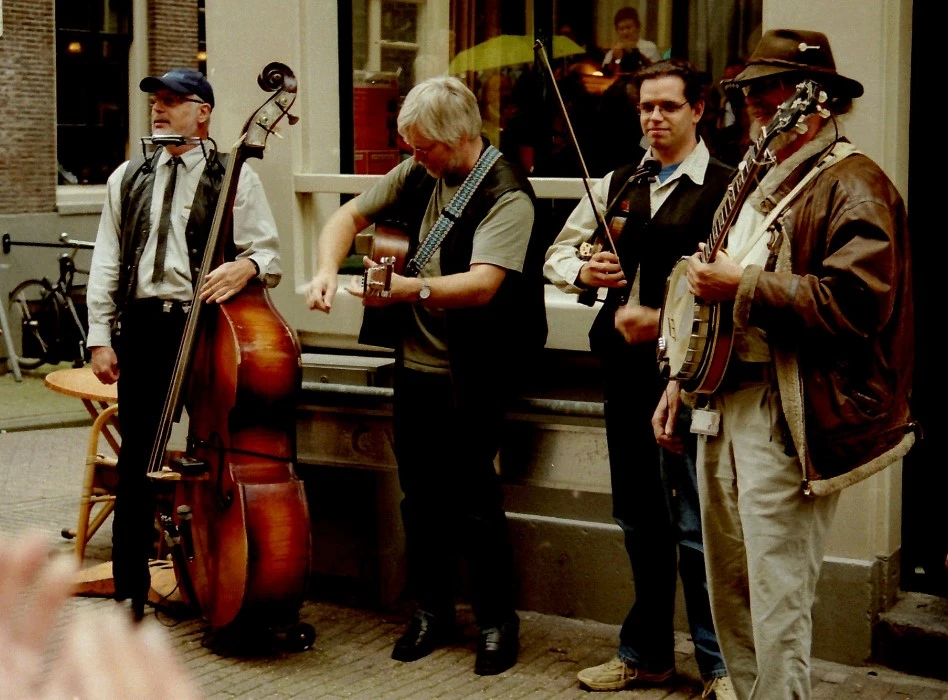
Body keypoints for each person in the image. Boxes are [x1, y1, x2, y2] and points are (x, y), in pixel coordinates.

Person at [652, 29, 915, 699]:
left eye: (772, 100)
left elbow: (858, 306)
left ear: (816, 104)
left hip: (786, 412)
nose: (757, 114)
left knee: (778, 594)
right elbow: (707, 297)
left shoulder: (856, 184)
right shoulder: (761, 178)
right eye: (753, 100)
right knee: (731, 590)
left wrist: (743, 286)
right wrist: (682, 382)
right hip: (723, 401)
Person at [304, 76, 547, 676]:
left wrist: (408, 290)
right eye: (409, 147)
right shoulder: (419, 172)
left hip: (473, 370)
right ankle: (430, 611)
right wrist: (327, 270)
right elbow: (349, 213)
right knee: (420, 500)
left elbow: (483, 284)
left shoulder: (507, 193)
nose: (415, 159)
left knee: (475, 501)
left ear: (460, 136)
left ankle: (496, 622)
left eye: (424, 148)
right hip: (414, 369)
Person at [544, 59, 735, 698]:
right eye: (646, 108)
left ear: (698, 109)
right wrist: (583, 272)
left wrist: (660, 322)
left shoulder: (728, 189)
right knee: (639, 520)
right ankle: (646, 654)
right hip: (625, 376)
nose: (654, 118)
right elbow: (557, 253)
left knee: (697, 527)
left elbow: (732, 291)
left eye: (668, 107)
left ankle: (718, 667)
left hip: (695, 379)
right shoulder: (621, 182)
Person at [86, 67, 282, 622]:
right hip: (144, 328)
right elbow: (105, 260)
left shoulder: (235, 176)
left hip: (206, 329)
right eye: (157, 101)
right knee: (137, 464)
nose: (160, 109)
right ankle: (131, 591)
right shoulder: (127, 176)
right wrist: (101, 336)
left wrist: (244, 267)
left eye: (175, 101)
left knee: (214, 455)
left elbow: (269, 253)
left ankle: (220, 573)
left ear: (204, 114)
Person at [0, 531, 201, 699]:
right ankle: (125, 602)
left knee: (136, 547)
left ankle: (134, 607)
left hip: (142, 498)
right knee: (123, 546)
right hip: (129, 502)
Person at [601, 7, 660, 77]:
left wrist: (637, 53)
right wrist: (614, 58)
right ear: (617, 31)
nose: (625, 32)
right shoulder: (613, 52)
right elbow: (605, 75)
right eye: (621, 29)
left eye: (628, 27)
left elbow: (657, 72)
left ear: (637, 27)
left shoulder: (649, 47)